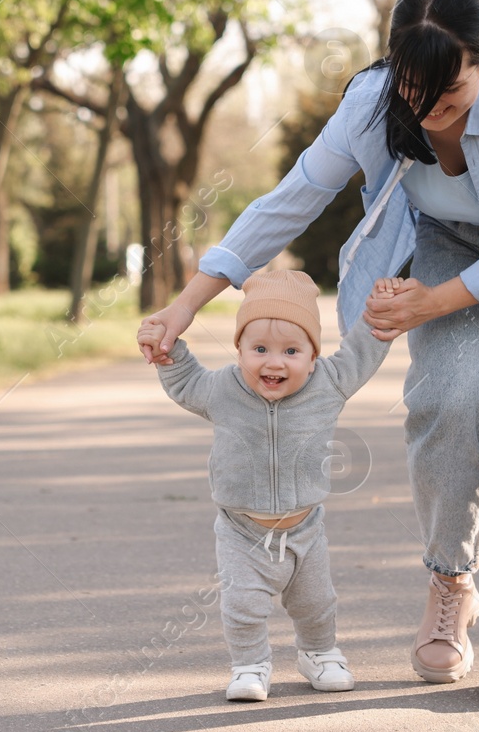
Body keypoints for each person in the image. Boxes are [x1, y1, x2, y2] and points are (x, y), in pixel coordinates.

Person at [138, 0, 479, 704]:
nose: (429, 117)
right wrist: (185, 305)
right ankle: (450, 580)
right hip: (450, 241)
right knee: (446, 404)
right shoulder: (369, 105)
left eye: (450, 100)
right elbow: (290, 201)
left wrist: (433, 302)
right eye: (413, 97)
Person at [139, 269, 396, 702]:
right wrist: (167, 350)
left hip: (305, 530)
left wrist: (382, 311)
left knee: (316, 604)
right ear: (238, 349)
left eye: (292, 351)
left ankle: (319, 653)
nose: (274, 362)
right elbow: (184, 382)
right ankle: (250, 664)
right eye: (259, 348)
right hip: (243, 530)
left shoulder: (329, 383)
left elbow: (364, 349)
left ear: (313, 356)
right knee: (242, 605)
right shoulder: (222, 388)